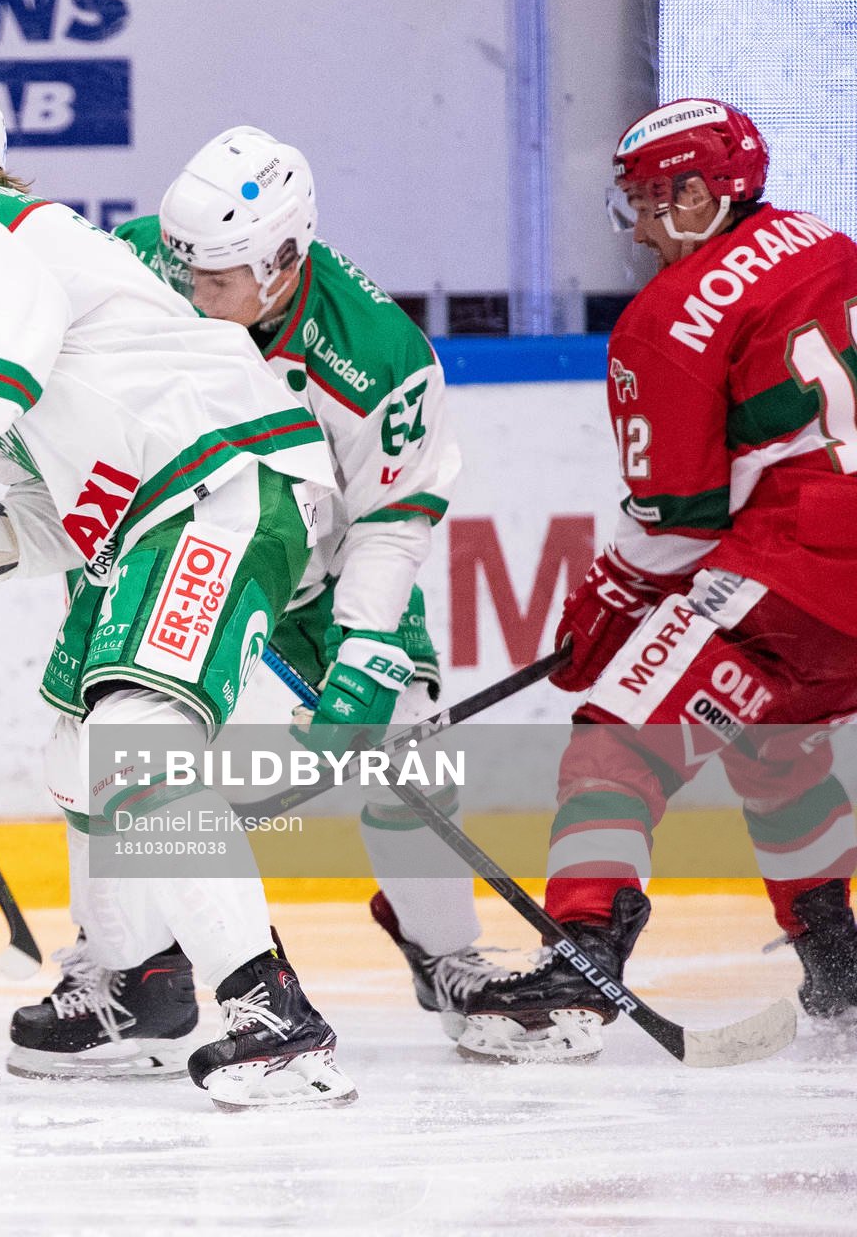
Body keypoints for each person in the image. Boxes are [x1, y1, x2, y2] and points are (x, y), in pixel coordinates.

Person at [0, 65, 356, 1108]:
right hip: (173, 504)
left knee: (133, 745)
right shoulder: (30, 268)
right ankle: (139, 989)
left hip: (216, 490)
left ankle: (274, 1014)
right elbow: (57, 511)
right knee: (78, 748)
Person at [460, 98, 857, 1060]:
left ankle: (580, 965)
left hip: (796, 571)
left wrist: (605, 602)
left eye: (648, 202)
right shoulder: (830, 246)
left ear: (700, 192)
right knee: (776, 738)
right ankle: (839, 960)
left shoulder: (670, 317)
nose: (638, 229)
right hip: (829, 583)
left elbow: (679, 520)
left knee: (619, 741)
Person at [107, 128, 501, 1044]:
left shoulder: (379, 354)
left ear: (283, 261)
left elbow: (392, 516)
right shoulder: (140, 260)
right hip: (179, 548)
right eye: (185, 271)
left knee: (405, 741)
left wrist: (363, 645)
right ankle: (129, 959)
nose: (192, 294)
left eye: (216, 281)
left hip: (315, 572)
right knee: (127, 738)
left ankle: (446, 953)